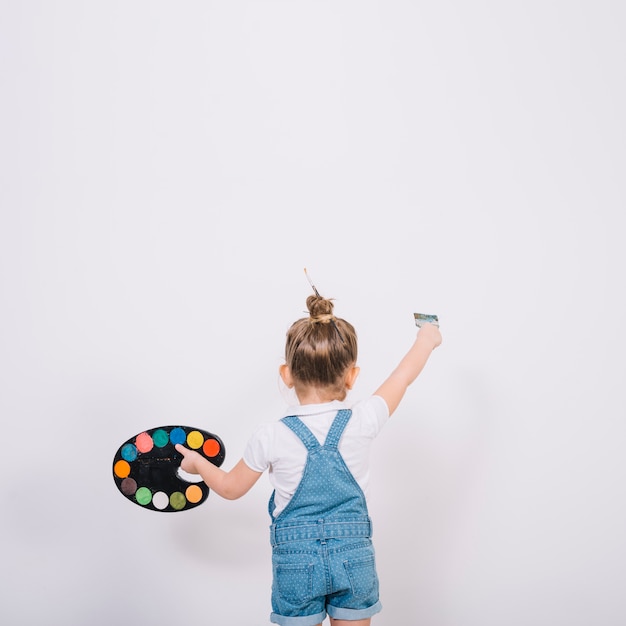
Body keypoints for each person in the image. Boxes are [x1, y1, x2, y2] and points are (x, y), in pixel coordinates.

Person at [176, 282, 442, 626]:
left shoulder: (270, 436)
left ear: (287, 375)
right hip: (354, 559)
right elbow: (402, 377)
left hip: (296, 565)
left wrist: (198, 463)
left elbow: (230, 488)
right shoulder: (362, 420)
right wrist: (427, 337)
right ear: (352, 376)